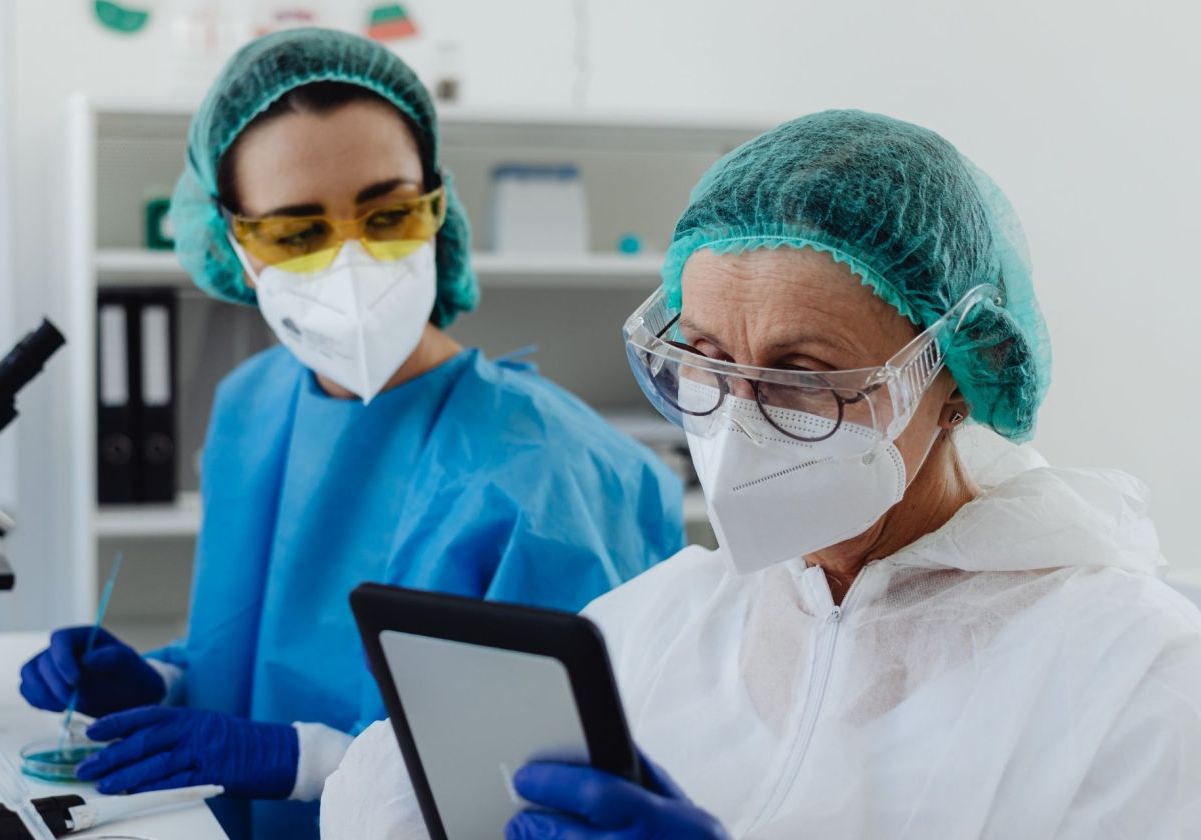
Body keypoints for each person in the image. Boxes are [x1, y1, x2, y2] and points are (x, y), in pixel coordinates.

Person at [321, 109, 1201, 839]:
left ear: (959, 382)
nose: (739, 424)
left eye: (805, 378)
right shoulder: (667, 620)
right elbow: (380, 801)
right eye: (703, 361)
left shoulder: (1131, 672)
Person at [18, 28, 686, 840]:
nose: (352, 261)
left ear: (439, 207)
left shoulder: (556, 475)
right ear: (231, 242)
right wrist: (159, 684)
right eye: (296, 233)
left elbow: (546, 797)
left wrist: (303, 762)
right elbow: (263, 658)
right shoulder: (253, 409)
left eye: (390, 213)